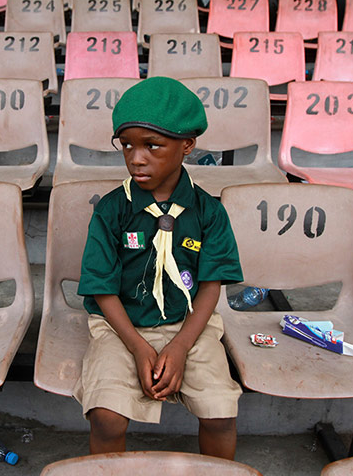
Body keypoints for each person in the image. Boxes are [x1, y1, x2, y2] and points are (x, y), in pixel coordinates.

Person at [73, 77, 244, 459]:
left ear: (187, 145)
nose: (136, 157)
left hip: (189, 324)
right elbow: (102, 288)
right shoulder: (111, 210)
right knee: (106, 416)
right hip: (120, 325)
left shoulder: (208, 212)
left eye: (152, 145)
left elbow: (210, 286)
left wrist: (181, 345)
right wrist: (137, 346)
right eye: (128, 144)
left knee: (220, 414)